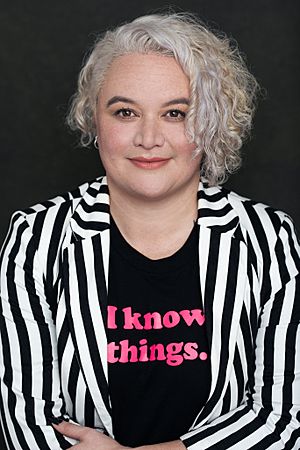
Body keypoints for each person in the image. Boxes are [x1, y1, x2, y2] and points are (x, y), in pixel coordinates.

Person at [0, 12, 299, 450]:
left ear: (211, 123)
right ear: (94, 120)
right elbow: (26, 425)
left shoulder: (267, 239)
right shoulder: (36, 239)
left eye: (176, 113)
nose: (148, 137)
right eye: (125, 112)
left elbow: (283, 418)